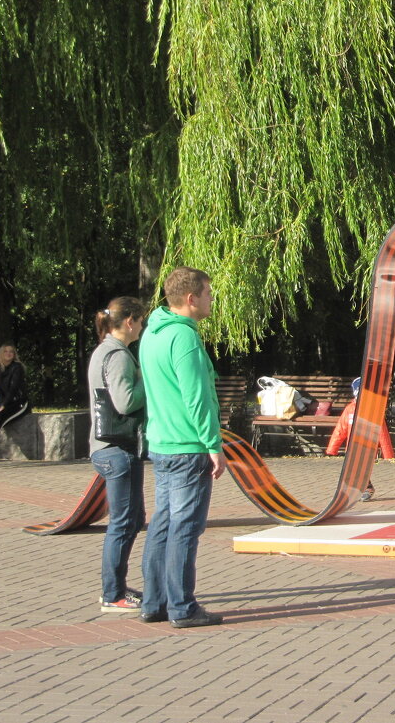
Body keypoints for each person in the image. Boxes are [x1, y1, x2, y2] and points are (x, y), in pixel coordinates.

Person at [138, 266, 225, 628]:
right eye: (207, 293)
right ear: (190, 299)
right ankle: (182, 607)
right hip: (188, 445)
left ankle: (154, 602)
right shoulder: (184, 338)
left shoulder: (150, 334)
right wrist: (213, 444)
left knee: (163, 523)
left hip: (161, 441)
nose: (210, 299)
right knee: (185, 527)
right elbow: (197, 397)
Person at [88, 297, 147, 613]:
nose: (141, 326)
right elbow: (125, 403)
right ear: (129, 322)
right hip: (117, 451)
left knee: (133, 519)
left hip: (110, 449)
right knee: (123, 523)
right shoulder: (118, 355)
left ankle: (117, 587)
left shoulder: (104, 350)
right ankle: (113, 594)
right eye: (140, 321)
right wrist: (149, 381)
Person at [325, 377, 389, 501]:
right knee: (354, 468)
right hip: (353, 446)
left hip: (368, 445)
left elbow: (382, 431)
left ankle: (366, 488)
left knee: (361, 467)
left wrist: (387, 452)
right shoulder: (349, 409)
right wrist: (332, 448)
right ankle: (363, 487)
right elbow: (340, 429)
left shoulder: (373, 410)